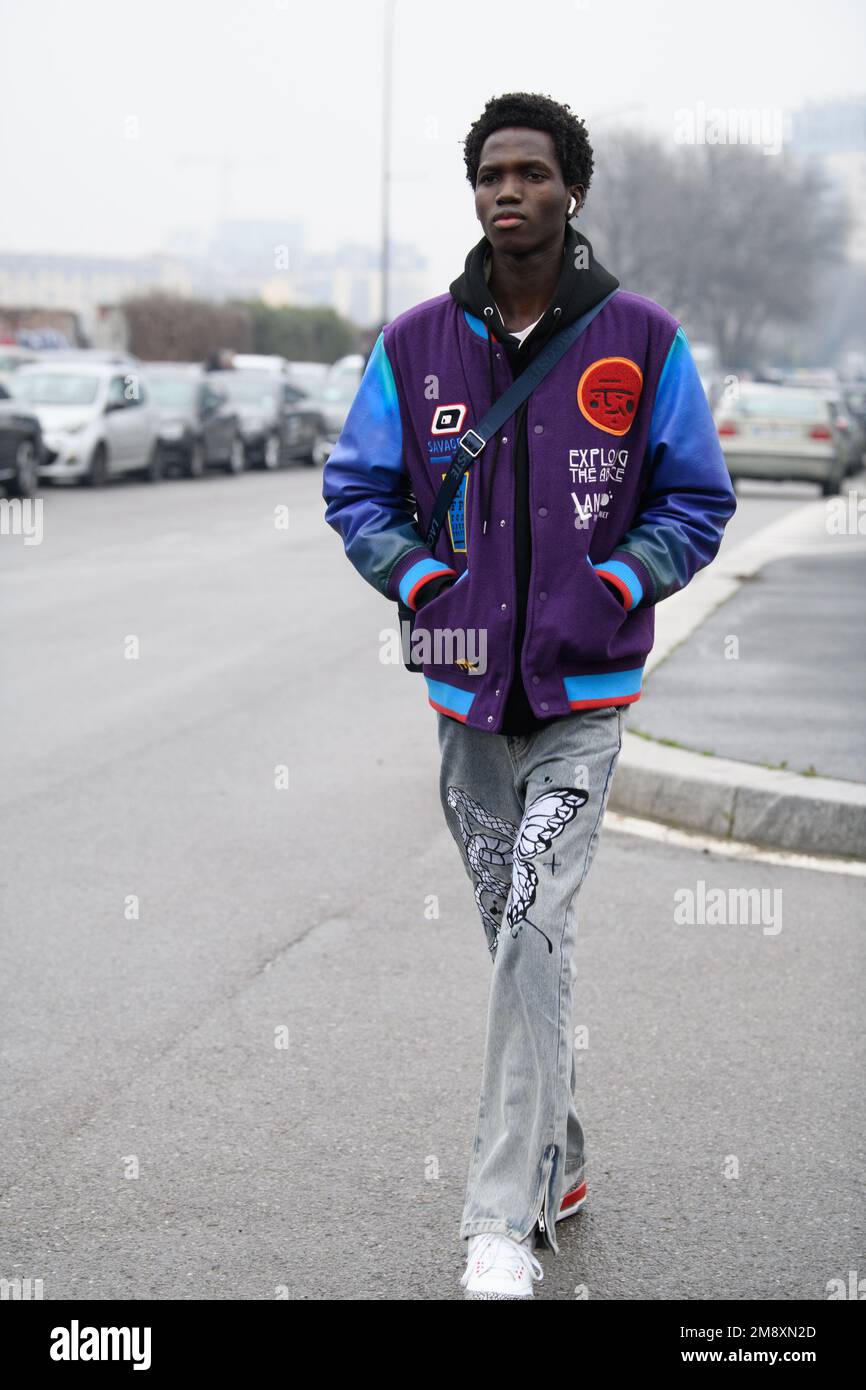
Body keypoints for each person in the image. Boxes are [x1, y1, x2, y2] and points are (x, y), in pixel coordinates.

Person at [322, 91, 737, 1299]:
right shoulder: (411, 347)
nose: (508, 191)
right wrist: (421, 576)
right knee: (518, 945)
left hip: (581, 699)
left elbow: (695, 501)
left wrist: (613, 579)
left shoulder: (640, 341)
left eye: (530, 173)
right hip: (464, 709)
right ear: (475, 194)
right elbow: (356, 491)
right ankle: (560, 1155)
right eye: (489, 174)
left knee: (534, 926)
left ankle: (498, 1219)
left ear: (570, 191)